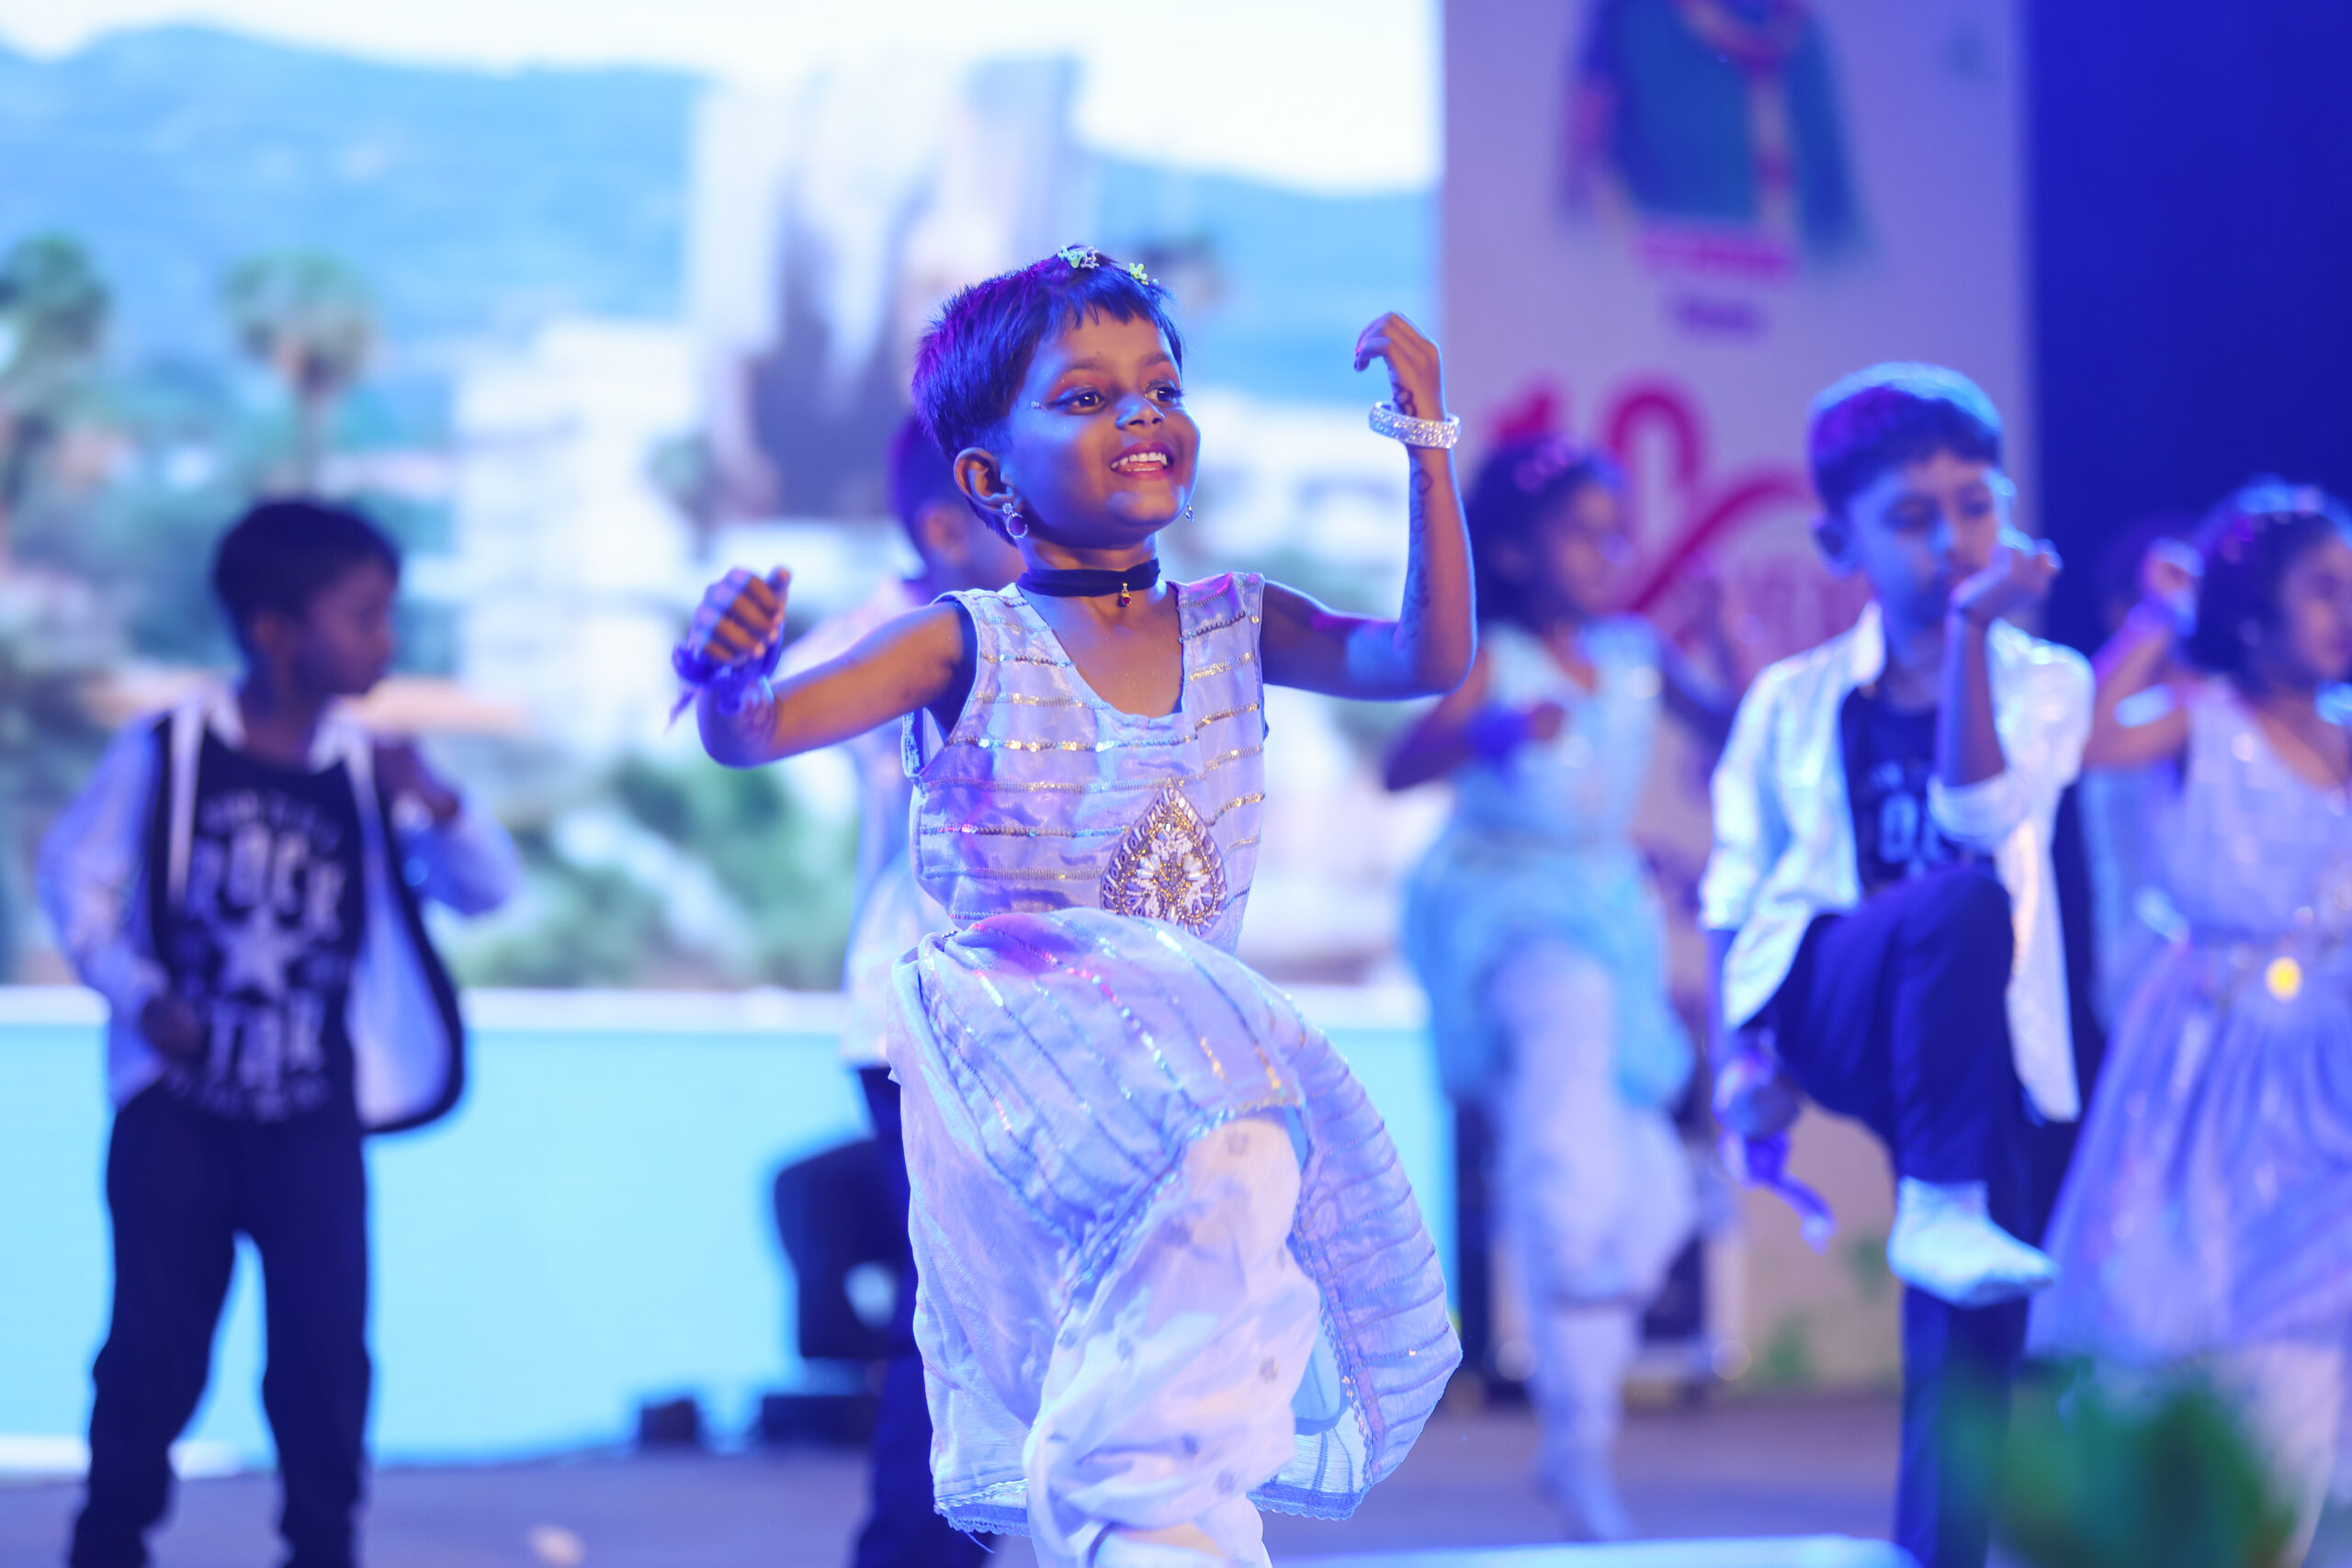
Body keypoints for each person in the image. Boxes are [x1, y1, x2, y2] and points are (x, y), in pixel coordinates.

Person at [675, 246, 1466, 1568]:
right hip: (1033, 1075)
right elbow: (757, 732)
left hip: (1186, 1067)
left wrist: (1425, 443)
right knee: (1202, 1246)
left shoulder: (1236, 622)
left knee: (1195, 1356)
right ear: (989, 480)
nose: (1142, 416)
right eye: (1088, 398)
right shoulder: (964, 640)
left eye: (1161, 388)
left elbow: (1422, 657)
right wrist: (727, 676)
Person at [39, 499, 518, 1568]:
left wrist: (434, 799)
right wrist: (138, 993)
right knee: (154, 1348)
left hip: (312, 1113)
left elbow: (488, 891)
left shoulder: (370, 767)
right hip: (179, 1113)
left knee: (324, 1356)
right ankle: (109, 1539)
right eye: (363, 616)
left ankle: (321, 1544)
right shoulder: (170, 748)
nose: (385, 640)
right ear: (274, 630)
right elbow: (75, 877)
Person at [1702, 364, 2091, 1568]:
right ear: (1841, 543)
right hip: (1838, 1001)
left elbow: (1978, 812)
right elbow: (1734, 890)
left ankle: (1939, 1552)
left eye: (1975, 507)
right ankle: (1944, 1203)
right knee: (1952, 903)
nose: (1952, 542)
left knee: (1976, 1333)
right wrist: (1736, 1065)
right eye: (1912, 518)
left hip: (1978, 1041)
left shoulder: (2048, 683)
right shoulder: (1792, 699)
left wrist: (1973, 634)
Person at [1385, 433, 1731, 1539]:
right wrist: (1485, 731)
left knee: (1650, 1188)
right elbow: (1398, 765)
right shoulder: (1491, 656)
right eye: (1577, 534)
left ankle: (1577, 1446)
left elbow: (1735, 730)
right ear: (1514, 552)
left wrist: (1727, 643)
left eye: (1613, 533)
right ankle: (1563, 1235)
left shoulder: (1635, 655)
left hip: (1605, 914)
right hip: (1506, 910)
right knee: (1565, 1082)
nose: (1603, 553)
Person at [2031, 480, 2352, 1562]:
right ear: (2252, 606)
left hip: (2329, 1059)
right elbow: (2074, 744)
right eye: (2320, 588)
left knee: (2309, 1311)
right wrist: (2158, 620)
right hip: (2207, 1055)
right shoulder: (2199, 719)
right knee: (2180, 1301)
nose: (2343, 611)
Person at [777, 412, 1022, 1568]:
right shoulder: (889, 633)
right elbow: (768, 707)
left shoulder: (1060, 616)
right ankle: (913, 1553)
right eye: (1017, 505)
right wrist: (729, 675)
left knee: (1014, 1307)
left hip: (1040, 1021)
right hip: (917, 1017)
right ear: (943, 526)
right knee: (960, 1306)